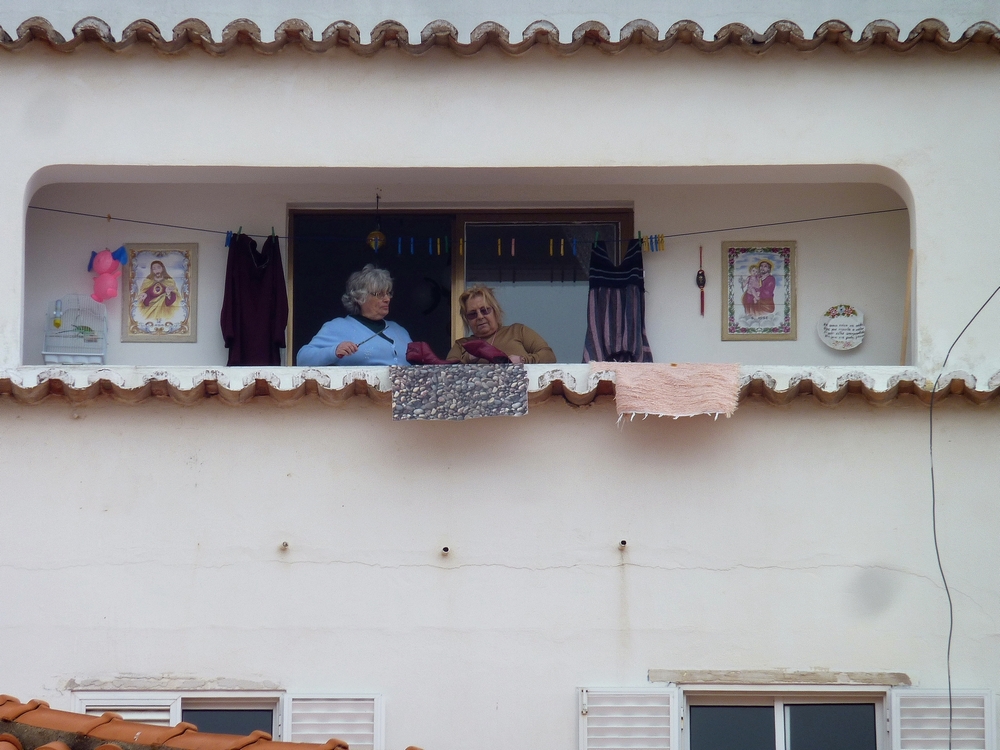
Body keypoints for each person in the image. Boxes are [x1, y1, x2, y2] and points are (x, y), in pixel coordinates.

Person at [297, 265, 412, 366]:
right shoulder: (338, 327)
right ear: (360, 298)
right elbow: (303, 359)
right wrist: (334, 351)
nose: (387, 299)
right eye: (379, 294)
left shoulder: (399, 330)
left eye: (388, 293)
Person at [447, 285, 556, 364]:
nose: (480, 317)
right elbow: (446, 374)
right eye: (472, 314)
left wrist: (523, 360)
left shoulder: (517, 331)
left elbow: (549, 356)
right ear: (467, 319)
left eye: (484, 310)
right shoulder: (462, 345)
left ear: (495, 311)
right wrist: (469, 358)